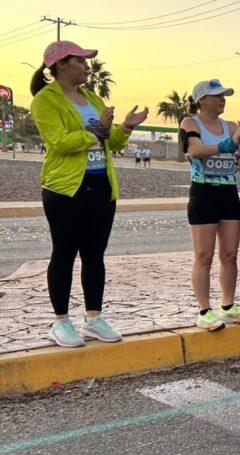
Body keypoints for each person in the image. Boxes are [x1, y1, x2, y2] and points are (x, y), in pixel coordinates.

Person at [30, 40, 150, 348]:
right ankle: (60, 322)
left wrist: (124, 127)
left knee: (95, 255)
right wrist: (96, 131)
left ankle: (93, 318)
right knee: (65, 254)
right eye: (81, 60)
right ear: (60, 65)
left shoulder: (92, 98)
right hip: (66, 188)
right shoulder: (45, 100)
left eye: (87, 61)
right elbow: (58, 142)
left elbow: (113, 144)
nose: (87, 66)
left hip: (101, 186)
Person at [180, 79, 240, 331]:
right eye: (216, 96)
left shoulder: (231, 125)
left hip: (228, 192)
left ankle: (228, 307)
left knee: (230, 254)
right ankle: (204, 310)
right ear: (201, 100)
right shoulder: (191, 122)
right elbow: (195, 150)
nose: (222, 99)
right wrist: (227, 144)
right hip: (203, 193)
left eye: (224, 95)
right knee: (204, 255)